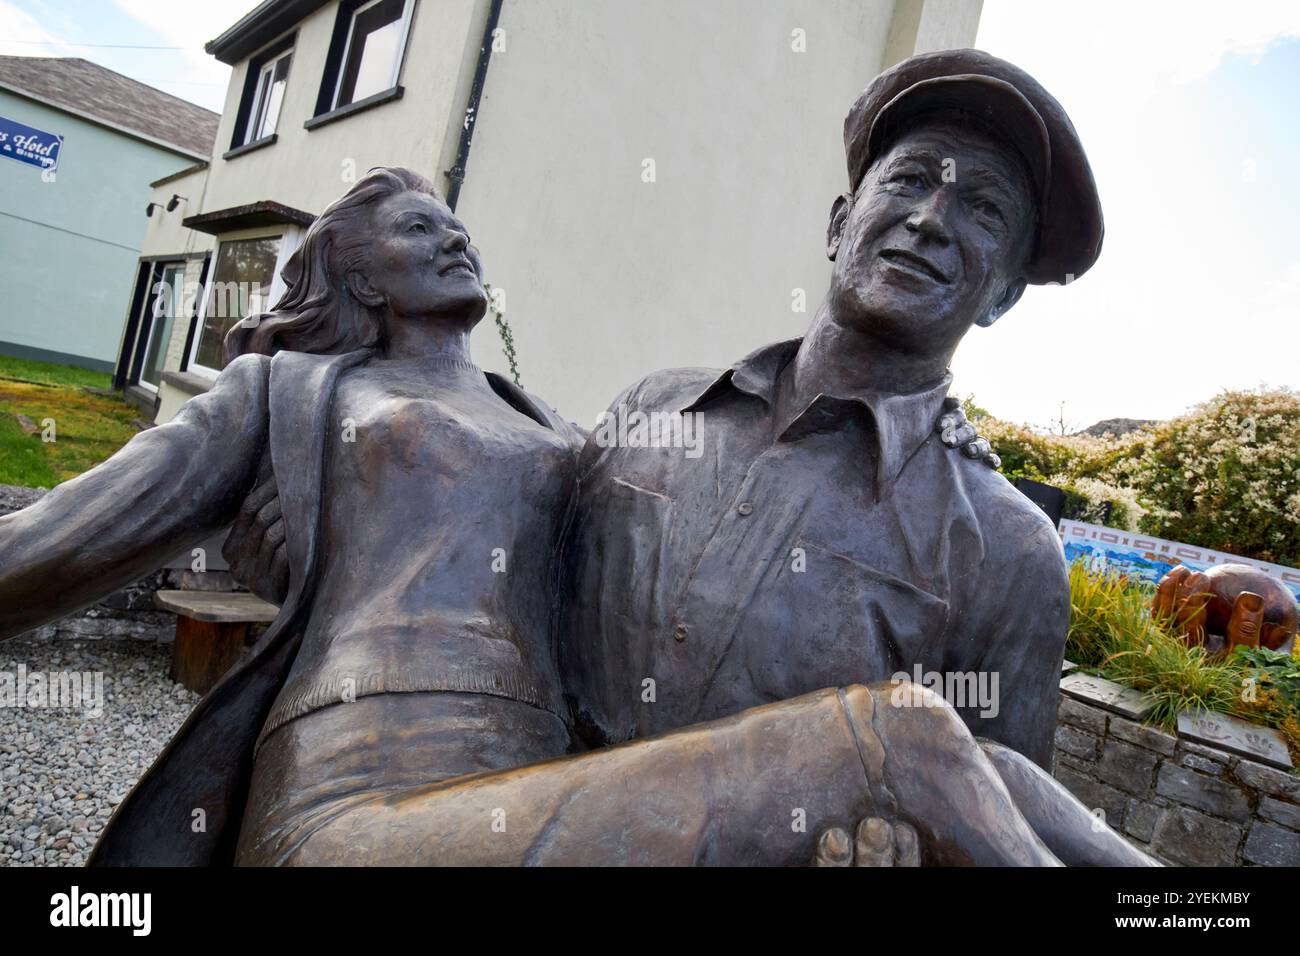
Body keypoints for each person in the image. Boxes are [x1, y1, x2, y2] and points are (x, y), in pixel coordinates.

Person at [561, 49, 1103, 771]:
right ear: (838, 226)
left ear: (1002, 298)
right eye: (910, 178)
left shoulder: (1007, 555)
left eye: (985, 209)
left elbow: (983, 823)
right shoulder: (653, 406)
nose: (930, 218)